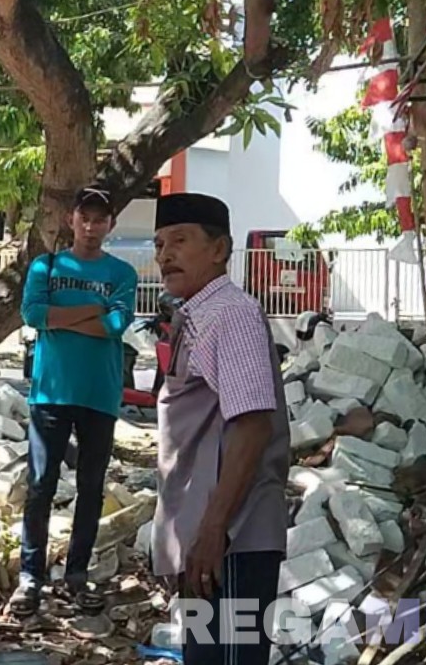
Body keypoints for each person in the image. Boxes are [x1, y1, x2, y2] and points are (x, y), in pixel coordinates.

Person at [149, 193, 290, 665]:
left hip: (233, 540)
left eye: (180, 240)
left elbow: (252, 426)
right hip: (207, 539)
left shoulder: (230, 314)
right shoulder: (197, 313)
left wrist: (213, 529)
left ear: (219, 249)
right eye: (159, 244)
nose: (165, 255)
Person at [12, 185, 139, 614]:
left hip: (99, 394)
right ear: (71, 220)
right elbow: (33, 314)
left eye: (100, 219)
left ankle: (77, 574)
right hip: (51, 391)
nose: (91, 226)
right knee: (40, 486)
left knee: (91, 488)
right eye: (85, 217)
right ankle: (31, 576)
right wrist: (93, 310)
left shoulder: (122, 273)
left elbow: (116, 326)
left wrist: (61, 318)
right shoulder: (46, 266)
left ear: (110, 224)